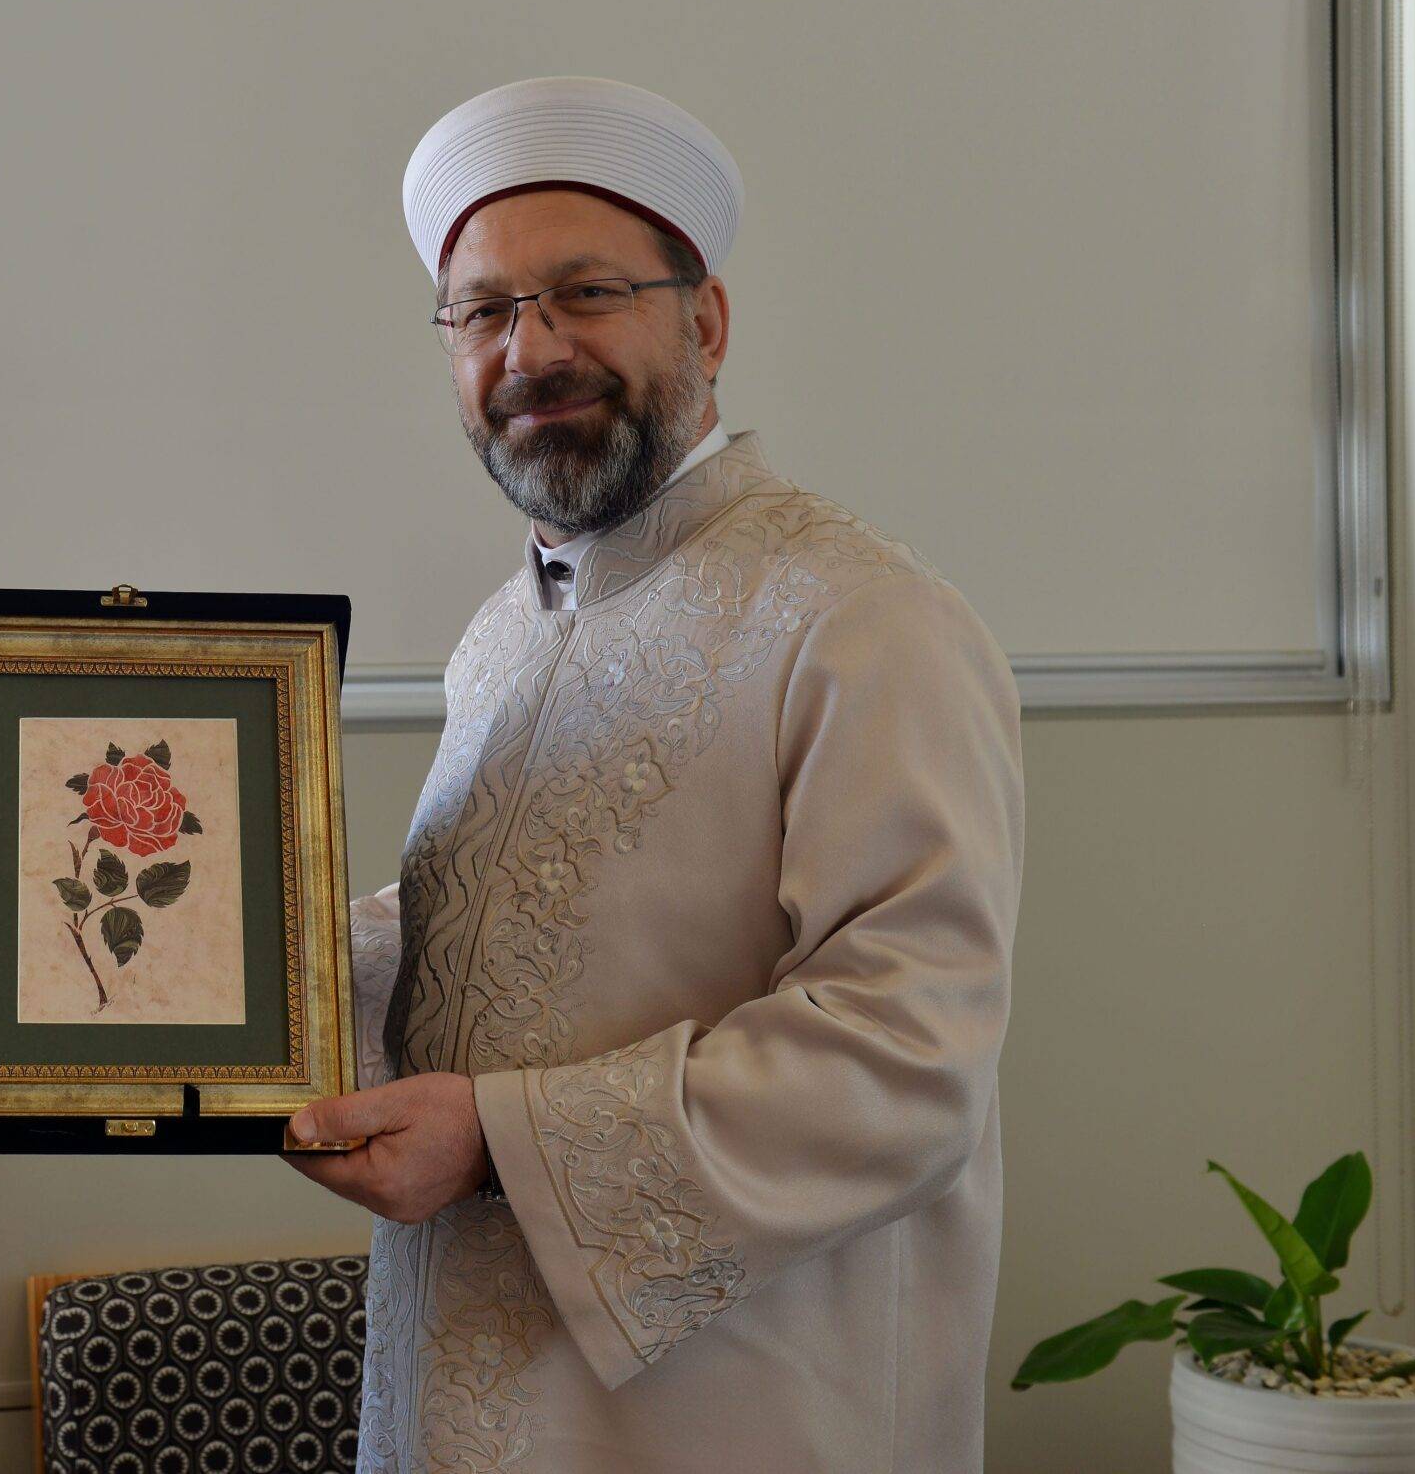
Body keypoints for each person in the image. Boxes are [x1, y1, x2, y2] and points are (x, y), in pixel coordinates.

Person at [285, 77, 1024, 1471]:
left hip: (742, 1416)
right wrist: (254, 983)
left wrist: (500, 1137)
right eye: (485, 310)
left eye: (586, 293)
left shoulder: (865, 619)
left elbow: (907, 1056)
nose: (531, 348)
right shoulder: (506, 631)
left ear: (709, 321)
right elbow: (491, 936)